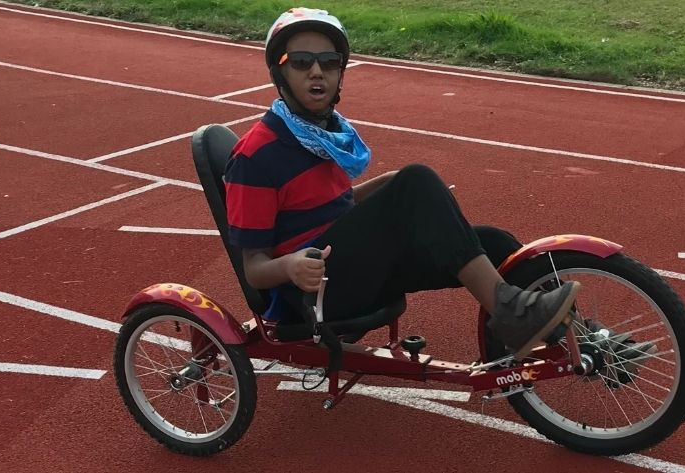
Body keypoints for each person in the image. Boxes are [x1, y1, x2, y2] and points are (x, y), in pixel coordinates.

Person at [224, 7, 580, 360]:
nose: (317, 71)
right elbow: (254, 269)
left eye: (329, 62)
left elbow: (331, 208)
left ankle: (583, 337)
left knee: (494, 242)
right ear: (280, 72)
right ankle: (513, 314)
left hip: (355, 268)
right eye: (301, 61)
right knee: (415, 180)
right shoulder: (257, 156)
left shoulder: (321, 135)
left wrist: (389, 188)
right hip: (313, 293)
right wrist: (290, 266)